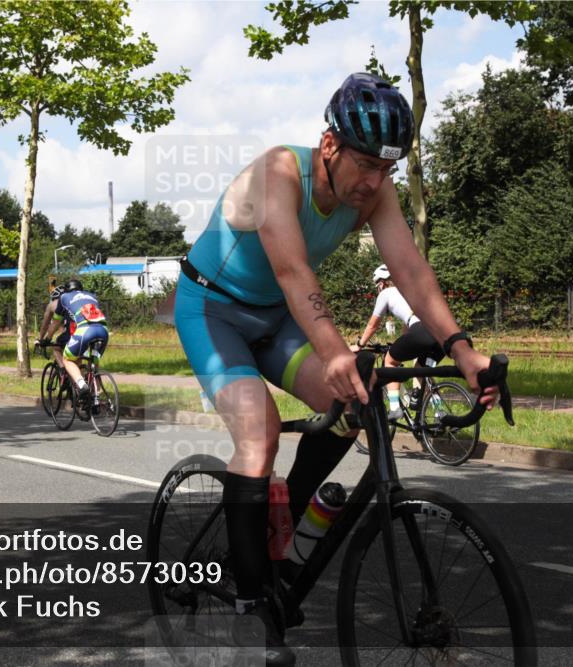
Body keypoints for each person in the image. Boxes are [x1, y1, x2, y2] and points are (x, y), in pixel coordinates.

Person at [174, 72, 497, 666]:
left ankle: (284, 536)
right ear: (330, 145)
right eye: (367, 164)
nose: (375, 181)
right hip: (211, 309)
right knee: (259, 433)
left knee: (356, 401)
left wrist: (461, 347)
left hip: (274, 317)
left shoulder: (376, 191)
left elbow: (411, 271)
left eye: (388, 169)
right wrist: (332, 348)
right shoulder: (278, 174)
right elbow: (295, 272)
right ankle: (250, 611)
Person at [350, 264, 446, 419]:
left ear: (381, 283)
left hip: (421, 331)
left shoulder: (386, 293)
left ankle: (394, 408)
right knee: (424, 370)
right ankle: (439, 410)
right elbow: (408, 327)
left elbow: (373, 325)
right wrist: (399, 343)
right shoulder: (410, 290)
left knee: (390, 361)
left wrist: (360, 344)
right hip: (442, 333)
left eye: (377, 285)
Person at [36, 279, 109, 400]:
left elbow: (55, 322)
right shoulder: (92, 296)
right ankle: (97, 397)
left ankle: (82, 385)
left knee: (68, 359)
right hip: (103, 331)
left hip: (85, 331)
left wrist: (47, 339)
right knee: (93, 364)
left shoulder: (64, 297)